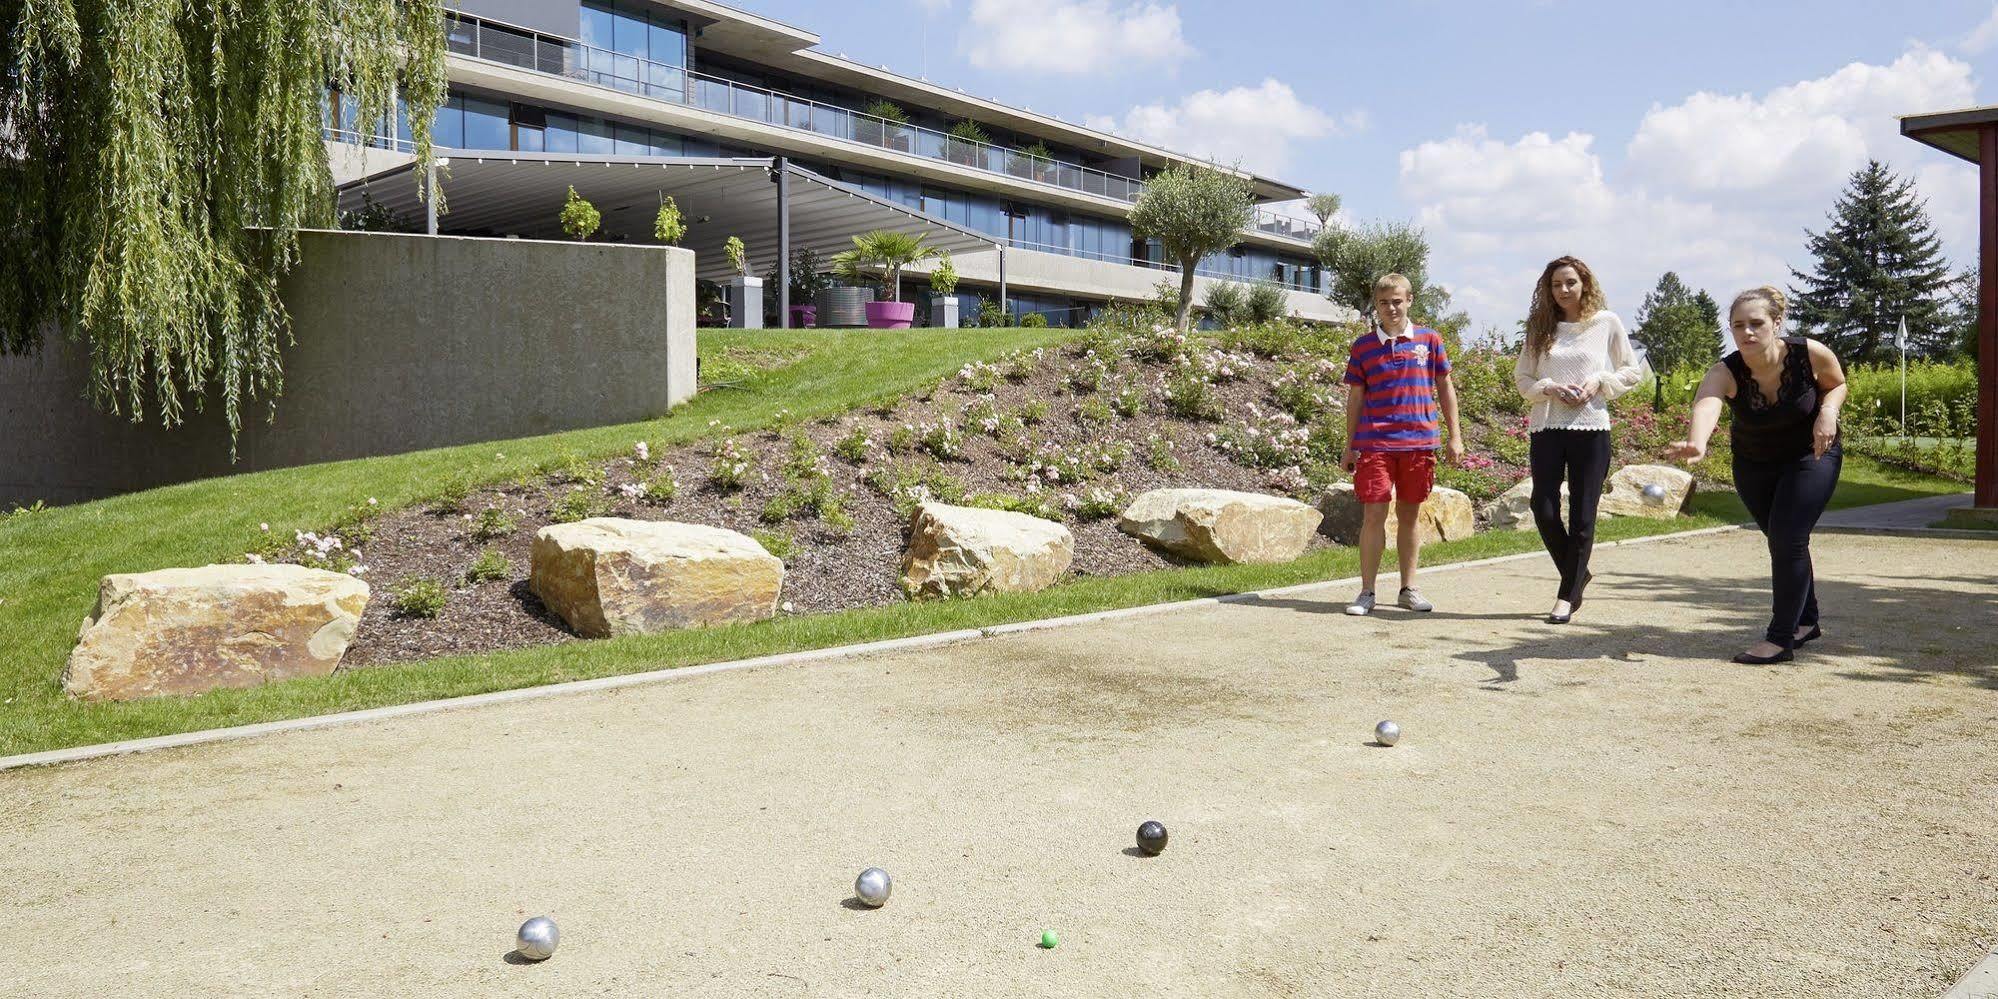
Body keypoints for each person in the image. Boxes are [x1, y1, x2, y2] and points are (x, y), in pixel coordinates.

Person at [1668, 286, 1847, 664]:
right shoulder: (1725, 371)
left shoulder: (1809, 354)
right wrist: (1696, 443)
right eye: (1738, 325)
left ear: (1776, 323)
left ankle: (1780, 639)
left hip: (1810, 455)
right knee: (1784, 541)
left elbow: (1837, 385)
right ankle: (1807, 620)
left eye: (1756, 323)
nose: (1747, 332)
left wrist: (1828, 412)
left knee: (1788, 539)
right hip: (1754, 465)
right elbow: (1707, 403)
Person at [1512, 256, 1646, 624]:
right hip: (1547, 427)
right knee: (1543, 507)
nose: (1564, 290)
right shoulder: (1540, 328)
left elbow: (1630, 370)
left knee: (1583, 514)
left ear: (1584, 283)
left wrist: (1597, 382)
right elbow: (1523, 380)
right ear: (1548, 289)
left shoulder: (1606, 322)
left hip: (1591, 427)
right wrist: (1549, 387)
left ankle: (1566, 596)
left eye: (1570, 282)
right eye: (1556, 284)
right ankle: (1578, 574)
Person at [1341, 273, 1464, 616]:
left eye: (1397, 301)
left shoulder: (1430, 340)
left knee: (1410, 517)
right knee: (1373, 516)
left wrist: (1455, 436)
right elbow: (1355, 398)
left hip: (1419, 443)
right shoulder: (1363, 347)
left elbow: (1446, 389)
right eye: (1384, 303)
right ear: (1376, 306)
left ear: (1409, 300)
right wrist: (1349, 445)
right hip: (1375, 444)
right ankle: (1367, 592)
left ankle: (1408, 589)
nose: (1391, 308)